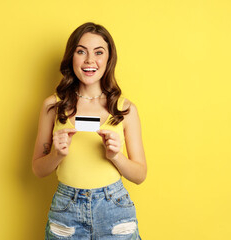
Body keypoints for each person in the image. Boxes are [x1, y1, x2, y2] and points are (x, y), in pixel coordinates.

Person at [31, 22, 147, 239]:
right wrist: (57, 155)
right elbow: (38, 169)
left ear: (108, 59)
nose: (89, 60)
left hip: (114, 207)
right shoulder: (52, 106)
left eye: (98, 52)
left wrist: (116, 156)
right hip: (66, 209)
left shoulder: (125, 109)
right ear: (71, 57)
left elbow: (140, 175)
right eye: (81, 51)